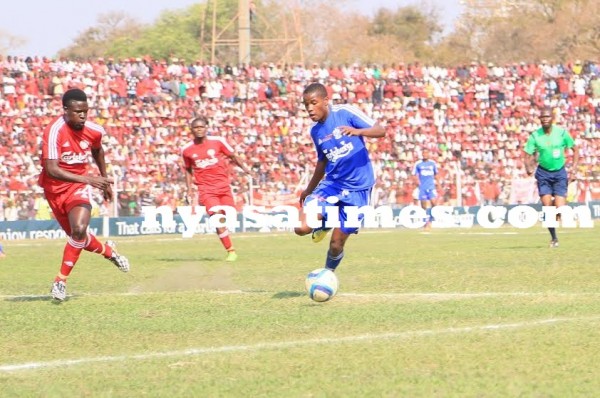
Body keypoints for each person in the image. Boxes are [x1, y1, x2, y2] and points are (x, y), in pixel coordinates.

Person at [39, 88, 130, 301]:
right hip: (54, 190)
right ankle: (110, 252)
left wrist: (104, 179)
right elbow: (51, 168)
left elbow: (98, 150)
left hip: (77, 187)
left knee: (79, 230)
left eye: (85, 111)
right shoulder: (53, 131)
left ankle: (60, 282)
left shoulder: (94, 130)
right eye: (77, 111)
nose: (82, 115)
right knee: (77, 237)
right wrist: (91, 179)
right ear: (65, 110)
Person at [294, 82, 385, 272]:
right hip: (332, 185)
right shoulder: (315, 131)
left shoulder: (345, 113)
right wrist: (309, 189)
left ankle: (327, 274)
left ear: (325, 101)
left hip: (358, 189)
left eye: (313, 103)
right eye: (306, 105)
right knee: (301, 228)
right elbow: (322, 161)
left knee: (336, 244)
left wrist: (358, 131)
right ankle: (325, 222)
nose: (309, 108)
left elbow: (380, 130)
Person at [181, 116, 253, 262]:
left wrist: (245, 168)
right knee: (217, 219)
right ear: (192, 130)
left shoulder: (218, 142)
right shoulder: (187, 150)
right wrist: (189, 189)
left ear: (206, 127)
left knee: (227, 218)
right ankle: (231, 251)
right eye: (196, 128)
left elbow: (233, 156)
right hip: (206, 190)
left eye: (201, 127)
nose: (199, 130)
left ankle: (226, 240)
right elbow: (188, 170)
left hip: (224, 187)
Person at [524, 106, 579, 248]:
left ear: (552, 118)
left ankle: (553, 218)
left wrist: (573, 169)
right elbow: (528, 154)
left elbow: (575, 150)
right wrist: (528, 167)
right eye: (542, 117)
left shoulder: (562, 133)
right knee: (547, 207)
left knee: (559, 208)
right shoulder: (535, 136)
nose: (545, 119)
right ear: (540, 119)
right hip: (543, 173)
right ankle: (554, 238)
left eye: (547, 117)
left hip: (560, 172)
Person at [412, 148, 438, 228]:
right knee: (424, 206)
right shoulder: (418, 164)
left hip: (431, 186)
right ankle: (425, 221)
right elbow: (414, 174)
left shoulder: (432, 163)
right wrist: (417, 182)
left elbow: (436, 174)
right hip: (422, 187)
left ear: (428, 154)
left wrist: (438, 184)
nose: (425, 155)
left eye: (426, 153)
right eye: (424, 153)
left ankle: (432, 218)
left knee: (434, 202)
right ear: (422, 154)